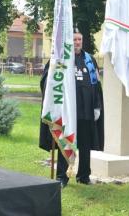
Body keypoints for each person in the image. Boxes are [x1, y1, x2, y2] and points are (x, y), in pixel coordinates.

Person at [39, 31, 104, 188]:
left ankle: (84, 176)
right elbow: (49, 82)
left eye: (79, 39)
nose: (77, 42)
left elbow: (96, 86)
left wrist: (96, 106)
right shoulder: (61, 59)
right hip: (68, 113)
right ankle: (62, 177)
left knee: (85, 145)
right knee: (65, 143)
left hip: (86, 112)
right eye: (74, 39)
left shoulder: (90, 60)